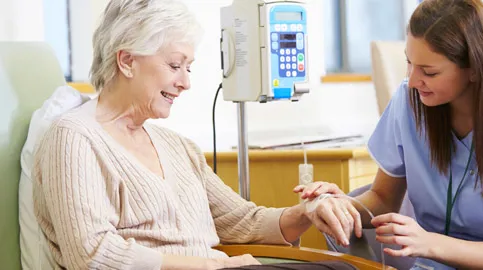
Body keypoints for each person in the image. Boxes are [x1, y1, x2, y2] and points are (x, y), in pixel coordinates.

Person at [32, 0, 360, 269]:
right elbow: (92, 255)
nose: (185, 83)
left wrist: (306, 212)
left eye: (188, 68)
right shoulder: (74, 139)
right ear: (127, 61)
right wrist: (210, 266)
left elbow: (244, 221)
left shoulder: (179, 148)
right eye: (175, 65)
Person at [295, 0, 483, 269]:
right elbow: (382, 198)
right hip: (438, 262)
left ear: (475, 69)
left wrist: (428, 243)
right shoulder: (410, 101)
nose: (414, 81)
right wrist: (339, 205)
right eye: (410, 63)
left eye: (429, 71)